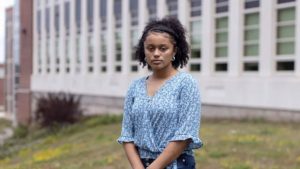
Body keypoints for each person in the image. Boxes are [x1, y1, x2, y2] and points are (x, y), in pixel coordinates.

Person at [117, 17, 203, 169]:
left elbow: (185, 135)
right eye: (150, 48)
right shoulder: (135, 87)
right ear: (144, 50)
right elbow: (127, 135)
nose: (156, 53)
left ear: (174, 50)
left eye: (163, 48)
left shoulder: (186, 84)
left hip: (177, 164)